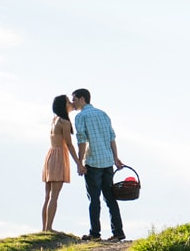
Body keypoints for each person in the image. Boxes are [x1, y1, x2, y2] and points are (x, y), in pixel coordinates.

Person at [71, 88, 126, 241]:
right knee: (110, 199)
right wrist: (116, 158)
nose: (73, 103)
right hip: (108, 162)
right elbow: (112, 138)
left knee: (94, 200)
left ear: (82, 99)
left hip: (93, 162)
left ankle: (95, 234)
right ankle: (118, 232)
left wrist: (80, 162)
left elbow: (81, 141)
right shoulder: (103, 114)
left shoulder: (81, 117)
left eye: (74, 99)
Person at [41, 95, 83, 232]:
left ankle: (44, 228)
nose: (71, 103)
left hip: (51, 155)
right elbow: (70, 145)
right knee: (54, 195)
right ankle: (49, 228)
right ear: (63, 105)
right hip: (59, 156)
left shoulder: (55, 120)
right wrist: (79, 163)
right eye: (68, 101)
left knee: (48, 196)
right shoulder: (64, 122)